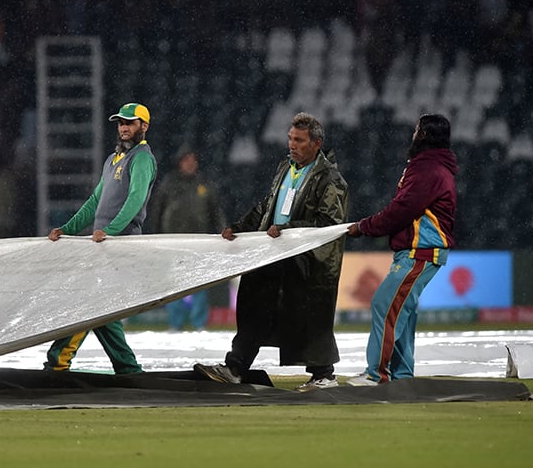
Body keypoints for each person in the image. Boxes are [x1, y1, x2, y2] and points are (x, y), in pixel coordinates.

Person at [194, 112, 349, 392]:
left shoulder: (330, 179)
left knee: (311, 317)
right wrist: (238, 227)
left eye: (299, 140)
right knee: (255, 307)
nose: (291, 144)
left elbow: (328, 223)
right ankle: (236, 367)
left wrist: (288, 227)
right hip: (275, 255)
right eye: (290, 139)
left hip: (307, 264)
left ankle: (324, 374)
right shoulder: (286, 168)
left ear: (316, 144)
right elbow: (266, 206)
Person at [44, 102, 157, 375]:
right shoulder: (113, 159)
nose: (123, 128)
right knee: (102, 312)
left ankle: (57, 362)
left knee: (88, 304)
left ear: (144, 126)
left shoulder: (142, 158)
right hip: (105, 244)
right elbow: (96, 200)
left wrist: (111, 231)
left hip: (120, 244)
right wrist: (68, 229)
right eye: (120, 123)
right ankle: (128, 370)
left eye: (129, 123)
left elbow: (136, 199)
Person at [345, 113, 457, 386]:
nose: (413, 134)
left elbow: (401, 210)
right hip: (418, 250)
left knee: (384, 307)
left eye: (417, 129)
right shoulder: (430, 167)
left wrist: (364, 227)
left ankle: (377, 375)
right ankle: (402, 376)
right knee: (401, 312)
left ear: (425, 135)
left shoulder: (427, 169)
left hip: (420, 251)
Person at [148, 147, 227, 331]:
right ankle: (175, 324)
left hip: (199, 242)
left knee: (199, 282)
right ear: (179, 162)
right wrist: (155, 237)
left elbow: (215, 212)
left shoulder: (204, 183)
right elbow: (157, 212)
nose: (191, 164)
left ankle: (199, 324)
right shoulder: (169, 183)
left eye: (193, 160)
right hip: (172, 242)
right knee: (174, 285)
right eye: (186, 160)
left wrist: (222, 231)